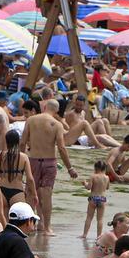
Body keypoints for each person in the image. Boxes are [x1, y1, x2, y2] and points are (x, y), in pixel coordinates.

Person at [20, 99, 78, 232]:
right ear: (57, 111)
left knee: (30, 193)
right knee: (47, 194)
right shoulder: (57, 124)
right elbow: (62, 148)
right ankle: (47, 227)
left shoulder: (31, 120)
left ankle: (30, 225)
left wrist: (20, 161)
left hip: (33, 160)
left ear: (45, 107)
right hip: (49, 161)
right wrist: (70, 168)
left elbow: (22, 143)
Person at [81, 159, 110, 238]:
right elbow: (107, 187)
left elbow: (88, 187)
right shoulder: (107, 177)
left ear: (96, 168)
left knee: (89, 217)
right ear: (104, 169)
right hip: (102, 199)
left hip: (93, 198)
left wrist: (84, 183)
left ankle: (84, 234)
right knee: (100, 219)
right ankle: (99, 236)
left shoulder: (93, 176)